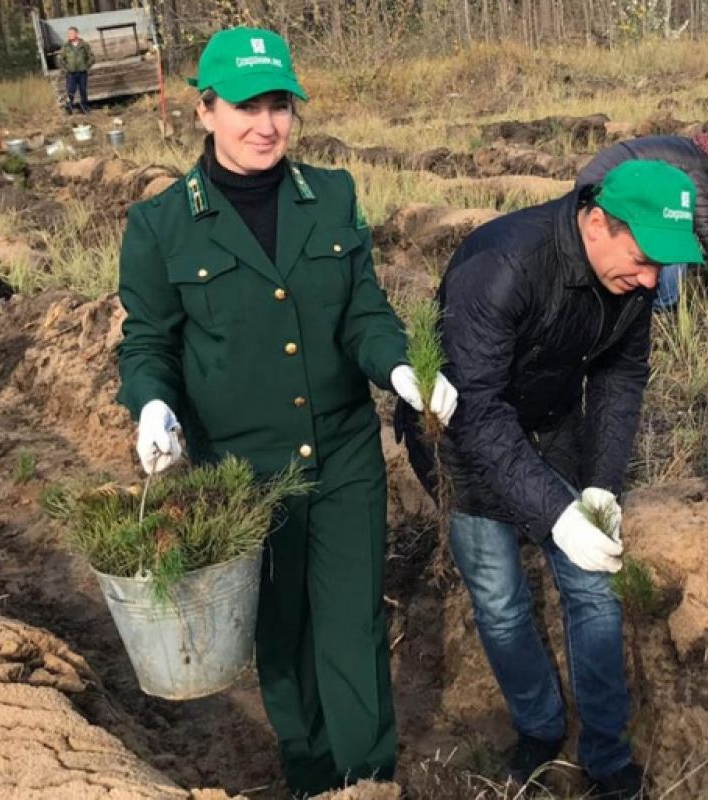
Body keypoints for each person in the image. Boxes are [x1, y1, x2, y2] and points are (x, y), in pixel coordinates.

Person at [115, 27, 457, 797]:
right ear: (203, 110)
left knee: (352, 626)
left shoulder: (329, 195)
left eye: (279, 106)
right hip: (240, 472)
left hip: (340, 455)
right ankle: (308, 773)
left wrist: (399, 365)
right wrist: (153, 406)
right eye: (245, 106)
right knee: (281, 632)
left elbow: (362, 312)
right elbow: (146, 344)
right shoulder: (161, 225)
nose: (265, 124)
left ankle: (366, 780)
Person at [396, 160, 704, 800]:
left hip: (552, 423)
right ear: (597, 222)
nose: (651, 280)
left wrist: (598, 485)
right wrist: (555, 516)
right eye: (644, 259)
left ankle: (607, 753)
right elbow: (476, 410)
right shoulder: (503, 266)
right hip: (462, 440)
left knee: (591, 587)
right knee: (501, 600)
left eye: (662, 267)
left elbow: (621, 379)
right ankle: (538, 726)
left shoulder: (634, 283)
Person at [575, 117, 708, 314]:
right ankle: (662, 305)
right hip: (605, 184)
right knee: (675, 236)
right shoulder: (697, 167)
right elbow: (705, 226)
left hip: (598, 177)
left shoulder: (692, 151)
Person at [59, 26, 94, 115]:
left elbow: (91, 57)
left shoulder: (84, 45)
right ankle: (69, 108)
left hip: (82, 72)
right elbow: (60, 59)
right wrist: (66, 68)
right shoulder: (66, 46)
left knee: (83, 90)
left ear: (76, 33)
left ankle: (84, 108)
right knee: (70, 91)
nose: (69, 35)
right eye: (68, 34)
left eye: (71, 33)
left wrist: (86, 66)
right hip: (71, 73)